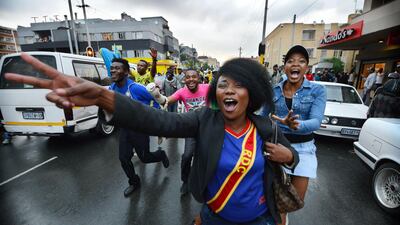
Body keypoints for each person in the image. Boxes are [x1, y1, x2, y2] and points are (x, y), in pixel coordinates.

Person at [6, 54, 299, 225]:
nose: (229, 91)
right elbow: (159, 119)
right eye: (223, 84)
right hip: (214, 218)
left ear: (253, 94)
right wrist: (102, 96)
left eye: (239, 85)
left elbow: (292, 157)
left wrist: (289, 157)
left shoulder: (265, 128)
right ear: (215, 92)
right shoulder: (203, 120)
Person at [271, 45, 326, 225]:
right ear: (284, 66)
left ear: (307, 68)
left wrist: (295, 124)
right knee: (274, 202)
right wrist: (279, 121)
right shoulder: (274, 90)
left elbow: (316, 121)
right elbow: (264, 116)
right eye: (290, 61)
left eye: (301, 61)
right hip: (277, 146)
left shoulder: (318, 90)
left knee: (293, 201)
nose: (296, 64)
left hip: (304, 150)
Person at [109, 58, 169, 197]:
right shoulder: (112, 88)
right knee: (124, 158)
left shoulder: (135, 88)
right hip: (125, 129)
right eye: (112, 68)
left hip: (140, 129)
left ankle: (160, 154)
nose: (113, 70)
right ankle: (134, 182)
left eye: (117, 68)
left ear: (125, 72)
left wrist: (152, 118)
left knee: (145, 158)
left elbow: (157, 99)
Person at [163, 69, 209, 195]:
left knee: (208, 157)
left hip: (208, 128)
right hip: (192, 128)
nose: (190, 79)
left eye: (194, 77)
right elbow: (167, 100)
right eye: (187, 77)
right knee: (187, 155)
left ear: (199, 78)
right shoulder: (182, 91)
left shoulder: (208, 88)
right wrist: (157, 96)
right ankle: (186, 181)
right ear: (184, 80)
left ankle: (208, 183)